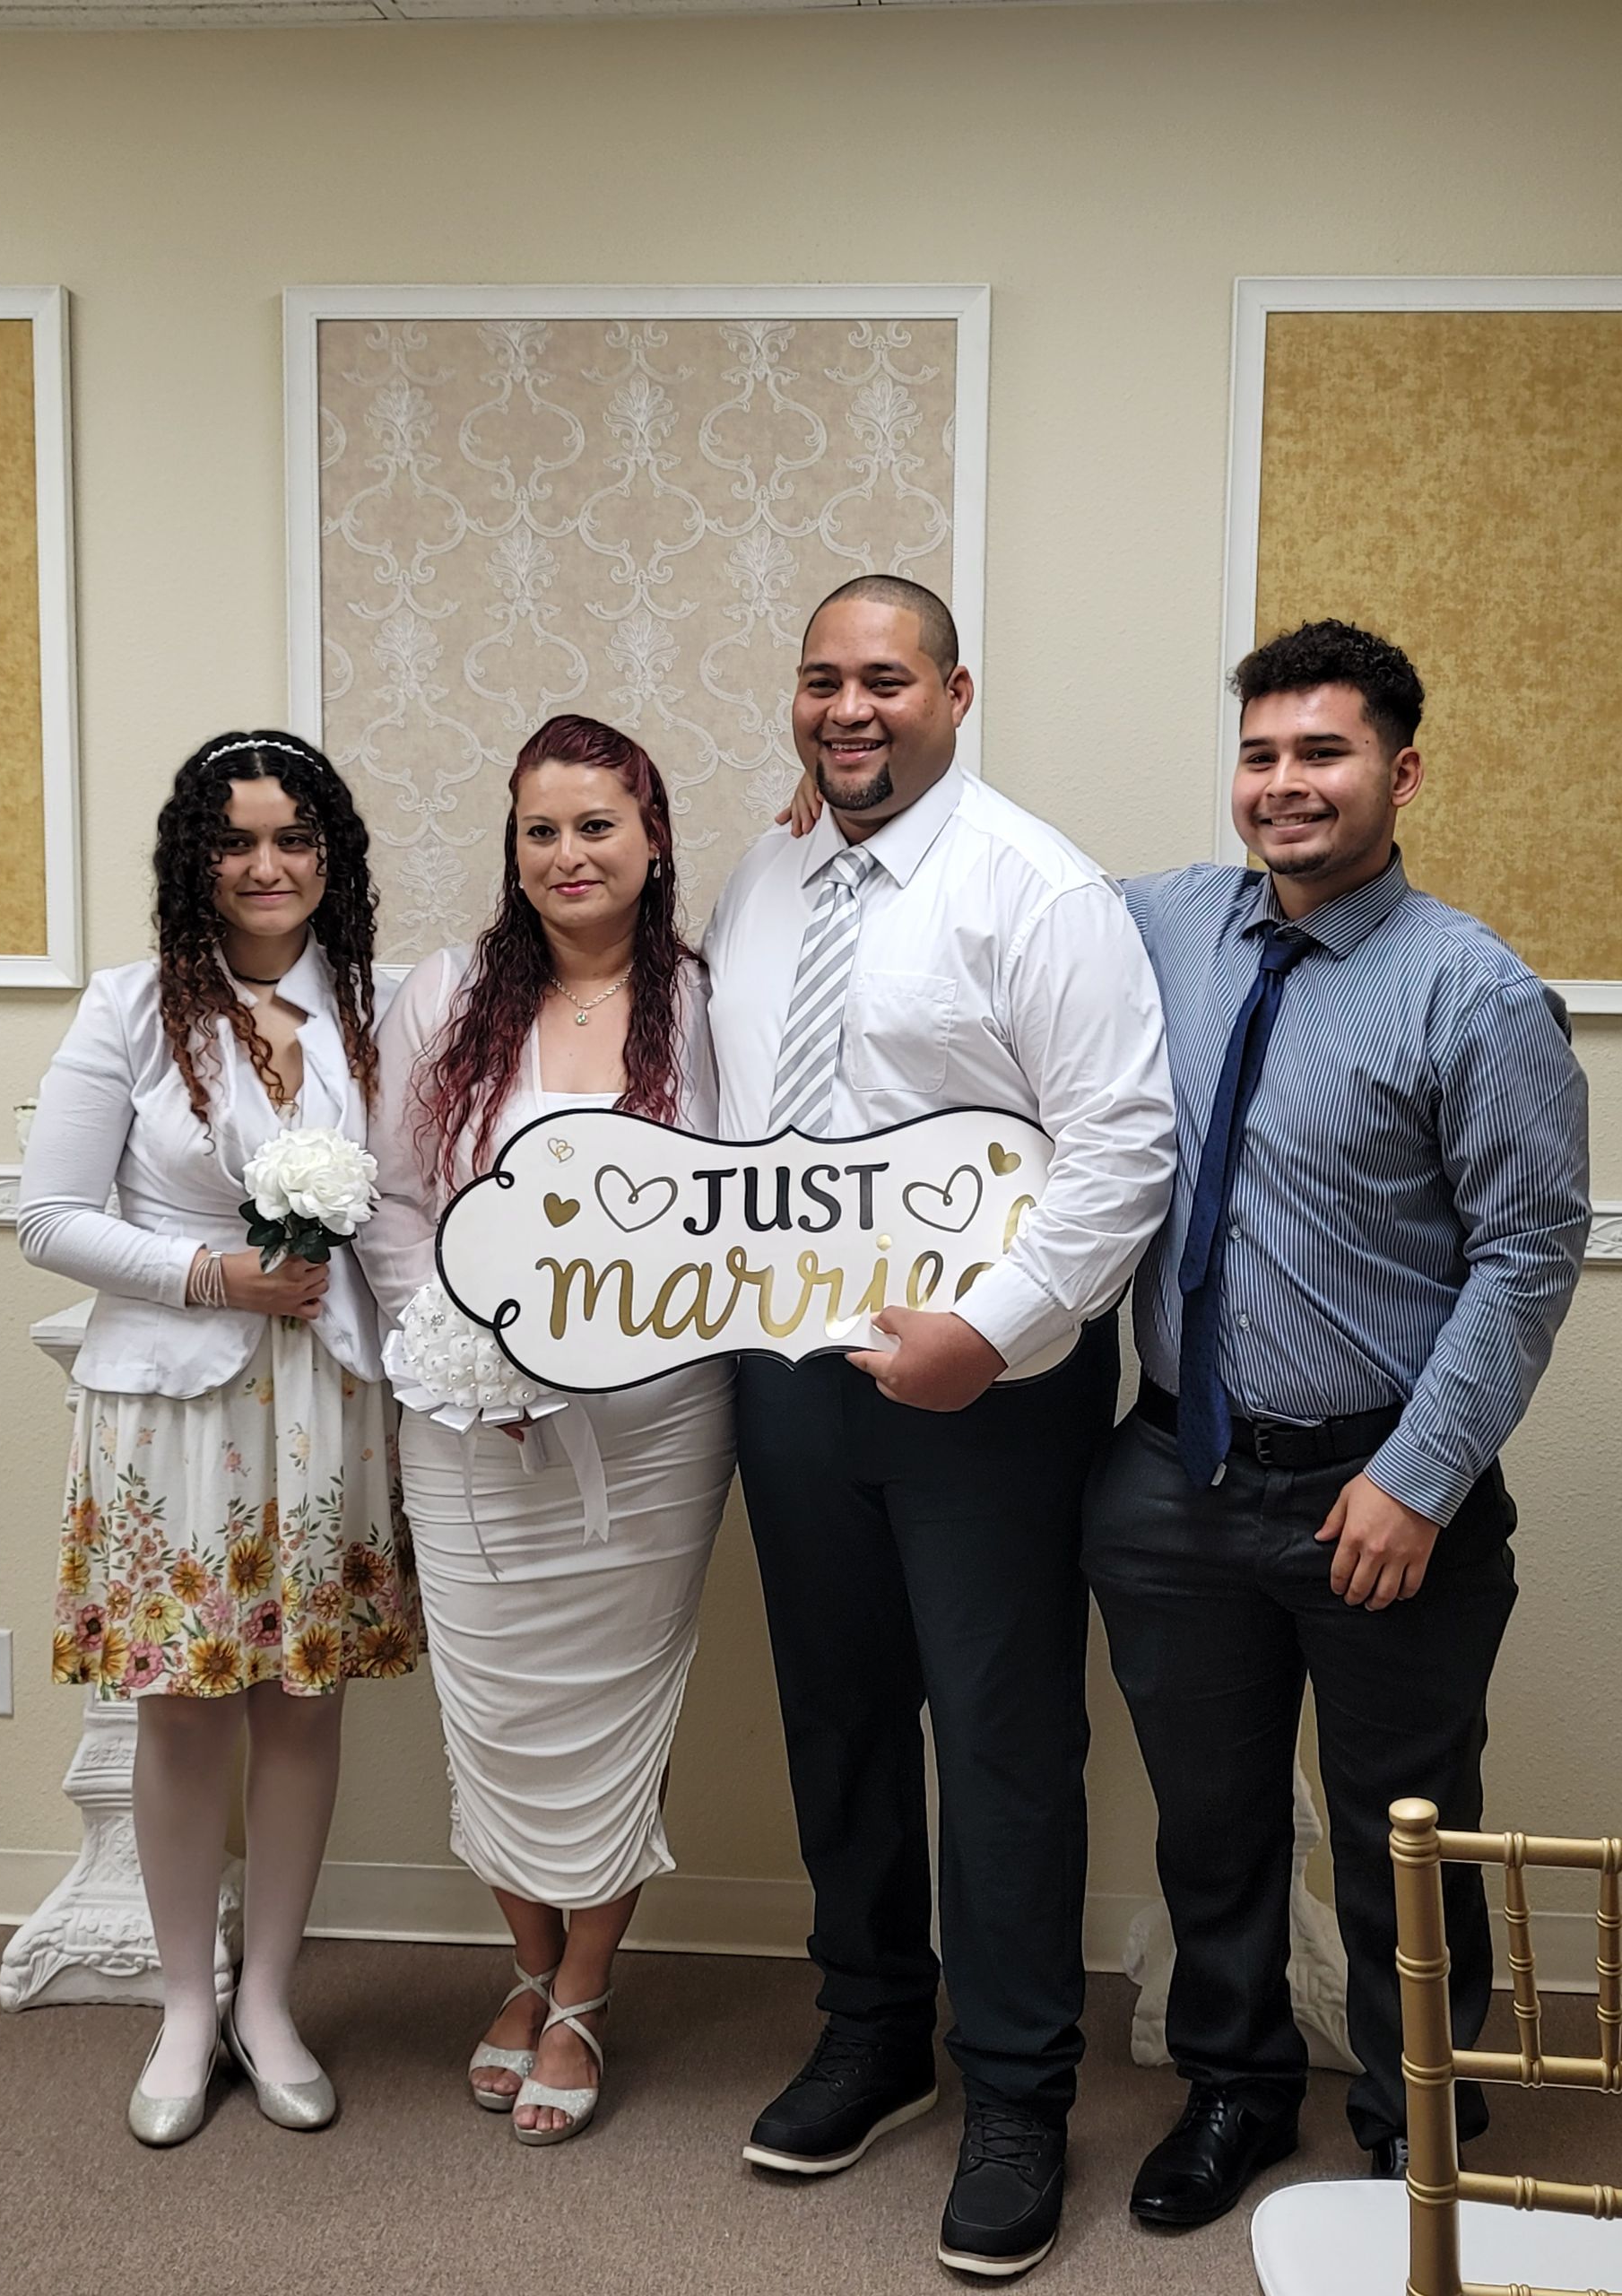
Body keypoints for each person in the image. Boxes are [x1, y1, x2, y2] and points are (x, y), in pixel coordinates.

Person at [1082, 620, 1590, 2229]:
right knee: (1211, 1825)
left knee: (1402, 1840)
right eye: (1260, 754)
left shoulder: (1471, 990)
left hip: (1383, 1491)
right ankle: (1234, 2091)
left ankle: (1413, 2123)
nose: (1284, 784)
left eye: (1323, 752)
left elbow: (1528, 1255)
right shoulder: (1162, 925)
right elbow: (993, 909)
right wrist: (853, 807)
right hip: (1173, 1478)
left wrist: (1419, 1479)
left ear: (1401, 773)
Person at [703, 576, 1176, 2277]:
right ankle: (874, 2031)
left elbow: (1122, 1142)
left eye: (886, 680)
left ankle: (1019, 2089)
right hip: (792, 1373)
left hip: (988, 1393)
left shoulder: (1034, 889)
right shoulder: (766, 876)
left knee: (999, 1739)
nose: (850, 708)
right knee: (835, 1717)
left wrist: (996, 1334)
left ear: (956, 696)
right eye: (822, 680)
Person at [18, 731, 421, 2146]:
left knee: (305, 1704)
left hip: (327, 1405)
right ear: (196, 859)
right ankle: (188, 2007)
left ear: (331, 857)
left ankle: (272, 2003)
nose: (266, 866)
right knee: (183, 1711)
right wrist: (212, 1276)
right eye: (235, 840)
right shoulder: (129, 1008)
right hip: (173, 1414)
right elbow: (47, 1218)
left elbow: (416, 1205)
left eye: (294, 838)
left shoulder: (384, 1007)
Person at [360, 713, 734, 2146]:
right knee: (495, 1708)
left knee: (615, 1702)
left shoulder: (708, 1000)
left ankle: (582, 1988)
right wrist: (467, 1356)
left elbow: (744, 1210)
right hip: (467, 1421)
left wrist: (605, 1359)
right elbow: (399, 1203)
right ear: (512, 849)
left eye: (597, 825)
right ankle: (525, 1963)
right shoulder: (448, 994)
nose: (569, 853)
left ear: (652, 838)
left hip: (657, 1425)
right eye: (541, 829)